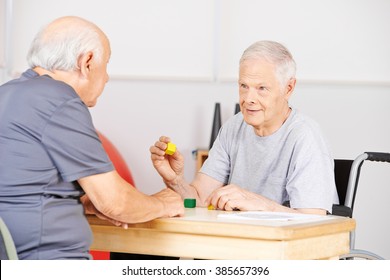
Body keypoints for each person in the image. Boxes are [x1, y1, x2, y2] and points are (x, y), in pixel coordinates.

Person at [0, 16, 184, 260]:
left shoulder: (8, 93)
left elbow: (22, 188)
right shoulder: (59, 99)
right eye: (106, 64)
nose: (106, 77)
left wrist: (83, 202)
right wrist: (165, 204)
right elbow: (116, 203)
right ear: (86, 62)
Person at [150, 40, 339, 216]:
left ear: (288, 88)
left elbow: (313, 221)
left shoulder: (305, 137)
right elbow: (199, 199)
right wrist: (175, 180)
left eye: (261, 88)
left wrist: (258, 203)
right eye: (243, 86)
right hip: (240, 245)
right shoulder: (233, 127)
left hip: (283, 249)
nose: (248, 98)